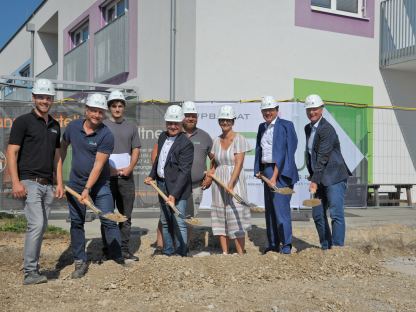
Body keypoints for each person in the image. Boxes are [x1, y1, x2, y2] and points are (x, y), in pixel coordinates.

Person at [61, 93, 124, 279]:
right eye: (94, 110)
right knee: (77, 223)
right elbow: (62, 146)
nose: (97, 114)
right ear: (86, 111)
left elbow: (98, 165)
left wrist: (87, 189)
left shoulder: (106, 135)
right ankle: (80, 261)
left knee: (109, 219)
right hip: (75, 184)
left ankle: (116, 258)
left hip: (99, 185)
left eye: (100, 111)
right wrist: (58, 175)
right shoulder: (72, 127)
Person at [7, 78, 64, 285]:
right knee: (36, 224)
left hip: (48, 184)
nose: (44, 100)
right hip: (29, 182)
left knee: (41, 226)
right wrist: (16, 182)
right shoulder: (23, 122)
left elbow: (57, 157)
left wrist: (59, 183)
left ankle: (33, 268)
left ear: (52, 100)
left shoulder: (55, 125)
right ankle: (30, 272)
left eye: (48, 97)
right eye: (40, 97)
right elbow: (11, 152)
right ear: (33, 98)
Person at [144, 105, 194, 256]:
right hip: (161, 184)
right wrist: (152, 175)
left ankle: (181, 253)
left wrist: (174, 194)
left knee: (179, 222)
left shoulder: (186, 144)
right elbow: (159, 160)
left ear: (181, 124)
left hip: (177, 188)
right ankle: (167, 251)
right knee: (165, 220)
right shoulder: (162, 137)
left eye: (176, 123)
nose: (172, 126)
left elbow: (184, 172)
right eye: (170, 123)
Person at [304, 94, 351, 250]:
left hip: (334, 177)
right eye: (309, 109)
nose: (312, 112)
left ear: (322, 109)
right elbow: (311, 154)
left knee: (336, 213)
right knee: (317, 214)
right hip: (318, 177)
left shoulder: (327, 129)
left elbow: (323, 157)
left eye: (315, 109)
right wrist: (313, 176)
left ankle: (337, 249)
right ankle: (326, 247)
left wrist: (314, 181)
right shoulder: (308, 128)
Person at [254, 96, 299, 254]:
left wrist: (275, 175)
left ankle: (286, 246)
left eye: (271, 110)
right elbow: (259, 149)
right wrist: (258, 169)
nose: (268, 113)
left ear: (277, 110)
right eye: (265, 110)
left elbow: (289, 152)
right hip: (267, 170)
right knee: (270, 212)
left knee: (281, 211)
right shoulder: (262, 127)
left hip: (282, 172)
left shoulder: (286, 125)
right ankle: (272, 244)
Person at [103, 90, 141, 261]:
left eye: (120, 106)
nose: (117, 109)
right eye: (114, 106)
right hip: (107, 178)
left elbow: (136, 149)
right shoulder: (102, 126)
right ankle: (109, 250)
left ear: (124, 108)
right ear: (109, 108)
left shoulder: (131, 126)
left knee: (125, 216)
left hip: (126, 178)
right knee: (108, 215)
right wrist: (107, 169)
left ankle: (124, 250)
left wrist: (130, 168)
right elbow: (98, 152)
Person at [209, 105, 251, 255]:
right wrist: (210, 175)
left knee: (236, 213)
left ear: (233, 121)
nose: (225, 122)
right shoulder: (215, 141)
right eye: (222, 120)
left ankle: (240, 253)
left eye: (227, 120)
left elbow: (239, 164)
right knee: (221, 214)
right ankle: (225, 253)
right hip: (219, 182)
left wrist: (231, 184)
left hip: (235, 181)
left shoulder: (239, 139)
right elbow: (213, 163)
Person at [182, 101, 214, 239]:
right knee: (174, 214)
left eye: (193, 115)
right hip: (176, 186)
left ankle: (186, 245)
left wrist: (210, 176)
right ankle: (173, 245)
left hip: (196, 186)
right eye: (187, 115)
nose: (190, 118)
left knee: (191, 216)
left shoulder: (205, 136)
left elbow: (214, 159)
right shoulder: (174, 133)